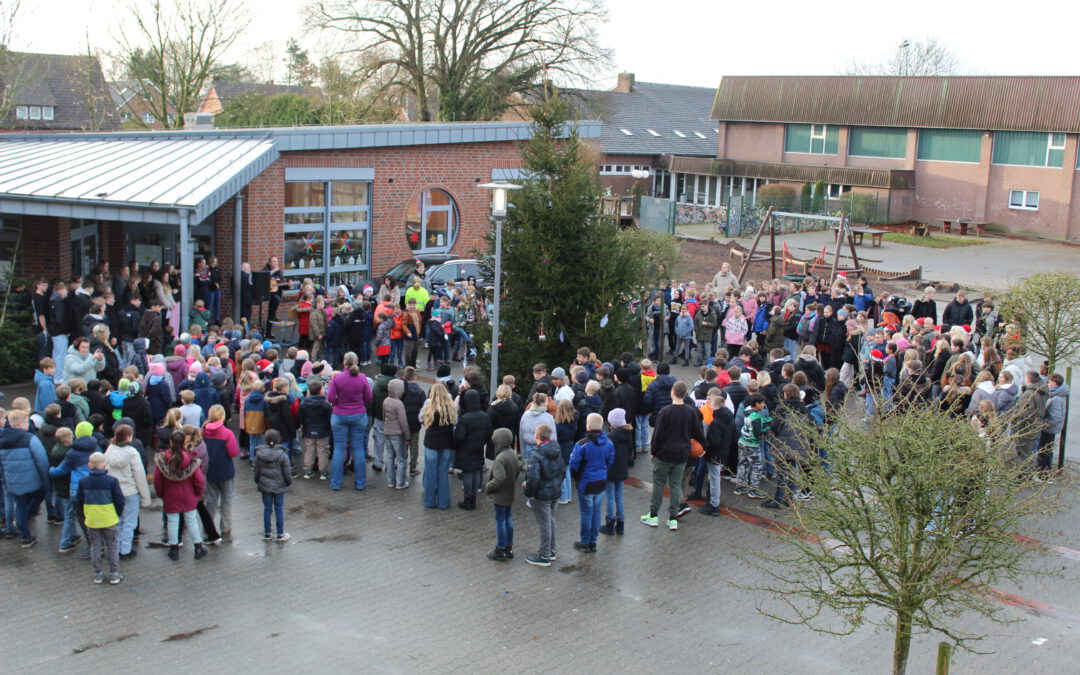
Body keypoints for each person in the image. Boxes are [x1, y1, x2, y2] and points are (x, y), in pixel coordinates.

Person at [642, 381, 704, 530]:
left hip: (664, 455)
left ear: (672, 393)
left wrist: (653, 452)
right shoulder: (690, 411)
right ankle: (672, 518)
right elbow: (698, 432)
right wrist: (704, 447)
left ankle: (653, 515)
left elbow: (657, 436)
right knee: (676, 485)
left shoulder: (665, 411)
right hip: (682, 454)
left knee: (659, 484)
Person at [153, 430, 207, 561]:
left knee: (172, 522)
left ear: (171, 442)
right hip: (188, 495)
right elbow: (199, 480)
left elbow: (157, 481)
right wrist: (197, 494)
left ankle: (174, 549)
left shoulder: (163, 460)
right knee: (191, 520)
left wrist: (162, 494)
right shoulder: (192, 460)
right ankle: (198, 547)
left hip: (171, 495)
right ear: (185, 441)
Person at [0, 410, 51, 548]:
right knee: (40, 495)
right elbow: (41, 460)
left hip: (12, 481)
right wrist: (46, 480)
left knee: (20, 506)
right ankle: (26, 518)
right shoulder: (29, 438)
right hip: (33, 480)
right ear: (22, 423)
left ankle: (25, 536)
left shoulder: (2, 440)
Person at [73, 451, 126, 584]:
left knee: (95, 547)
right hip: (109, 519)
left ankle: (98, 574)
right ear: (104, 465)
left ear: (89, 465)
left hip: (92, 519)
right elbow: (120, 500)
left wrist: (86, 514)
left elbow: (78, 500)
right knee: (112, 546)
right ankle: (114, 573)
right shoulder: (112, 481)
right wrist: (117, 514)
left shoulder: (83, 481)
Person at [103, 424, 151, 560]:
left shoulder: (109, 451)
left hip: (114, 492)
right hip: (130, 492)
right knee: (129, 523)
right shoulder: (132, 453)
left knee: (117, 522)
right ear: (129, 437)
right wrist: (145, 497)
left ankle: (115, 549)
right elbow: (140, 476)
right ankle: (125, 550)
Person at [568, 412, 614, 553]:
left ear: (588, 426)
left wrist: (576, 476)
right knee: (596, 512)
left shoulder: (582, 444)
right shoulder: (609, 443)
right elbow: (609, 461)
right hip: (601, 481)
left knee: (586, 513)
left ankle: (585, 542)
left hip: (586, 483)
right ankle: (593, 542)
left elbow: (573, 464)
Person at [327, 352, 373, 491]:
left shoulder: (338, 378)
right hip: (359, 415)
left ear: (344, 363)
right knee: (358, 448)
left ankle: (336, 483)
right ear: (357, 362)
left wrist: (338, 403)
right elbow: (369, 397)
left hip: (339, 415)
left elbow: (330, 397)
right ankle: (360, 483)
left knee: (339, 449)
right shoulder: (362, 378)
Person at [524, 424, 564, 567]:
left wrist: (529, 493)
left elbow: (533, 478)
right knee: (551, 520)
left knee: (544, 524)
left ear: (537, 436)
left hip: (542, 495)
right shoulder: (557, 449)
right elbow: (563, 470)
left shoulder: (536, 454)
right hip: (555, 491)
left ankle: (544, 555)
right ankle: (551, 550)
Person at [484, 427, 522, 562]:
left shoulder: (500, 458)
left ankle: (500, 549)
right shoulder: (512, 454)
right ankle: (508, 547)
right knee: (508, 519)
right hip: (510, 492)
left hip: (500, 494)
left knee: (500, 520)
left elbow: (499, 478)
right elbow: (517, 471)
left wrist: (488, 486)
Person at [421, 381, 457, 510]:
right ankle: (443, 502)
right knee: (443, 473)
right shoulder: (450, 405)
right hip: (446, 443)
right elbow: (455, 421)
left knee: (430, 473)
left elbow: (421, 418)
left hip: (431, 442)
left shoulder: (428, 404)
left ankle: (429, 501)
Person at [699, 388, 735, 517]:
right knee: (715, 478)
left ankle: (714, 505)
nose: (710, 406)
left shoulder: (716, 422)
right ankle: (713, 503)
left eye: (711, 405)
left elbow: (713, 441)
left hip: (714, 454)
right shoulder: (729, 418)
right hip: (723, 452)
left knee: (714, 479)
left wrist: (704, 448)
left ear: (716, 406)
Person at [453, 389, 491, 510]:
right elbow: (489, 434)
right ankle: (473, 498)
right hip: (479, 448)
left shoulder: (465, 418)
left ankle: (468, 499)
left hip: (466, 449)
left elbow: (459, 437)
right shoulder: (485, 416)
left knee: (468, 473)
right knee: (476, 472)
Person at [254, 429, 292, 542]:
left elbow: (256, 471)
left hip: (265, 486)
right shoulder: (283, 456)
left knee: (267, 509)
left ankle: (267, 533)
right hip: (279, 486)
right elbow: (287, 472)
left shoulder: (259, 455)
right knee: (279, 509)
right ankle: (280, 533)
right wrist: (288, 482)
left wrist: (258, 481)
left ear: (265, 440)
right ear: (278, 440)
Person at [600, 407, 633, 535]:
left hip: (610, 470)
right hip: (622, 469)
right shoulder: (628, 434)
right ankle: (620, 525)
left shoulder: (609, 437)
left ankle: (609, 524)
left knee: (609, 496)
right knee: (619, 496)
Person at [734, 393, 772, 500]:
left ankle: (740, 487)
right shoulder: (756, 417)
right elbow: (758, 433)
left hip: (743, 441)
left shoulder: (748, 411)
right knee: (757, 466)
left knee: (743, 464)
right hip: (752, 444)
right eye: (762, 403)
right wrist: (767, 429)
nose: (764, 405)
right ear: (757, 404)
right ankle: (754, 490)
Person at [298, 379, 333, 480]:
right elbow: (330, 418)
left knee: (309, 451)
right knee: (323, 452)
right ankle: (323, 472)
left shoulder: (304, 403)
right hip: (323, 431)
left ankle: (308, 471)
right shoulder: (326, 404)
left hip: (308, 430)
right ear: (321, 390)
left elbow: (300, 417)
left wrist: (303, 425)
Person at [1037, 374, 1069, 481]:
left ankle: (1043, 475)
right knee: (1046, 451)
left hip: (1048, 429)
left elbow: (1054, 418)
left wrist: (1043, 424)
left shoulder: (1056, 399)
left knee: (1045, 451)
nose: (1048, 384)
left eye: (1049, 382)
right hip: (1050, 428)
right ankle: (1044, 473)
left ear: (1054, 383)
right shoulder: (1057, 395)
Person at [382, 378, 411, 489]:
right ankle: (400, 483)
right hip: (397, 434)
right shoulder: (399, 404)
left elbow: (384, 416)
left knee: (389, 457)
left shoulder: (386, 400)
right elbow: (403, 421)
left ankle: (390, 481)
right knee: (401, 459)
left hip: (387, 431)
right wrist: (407, 436)